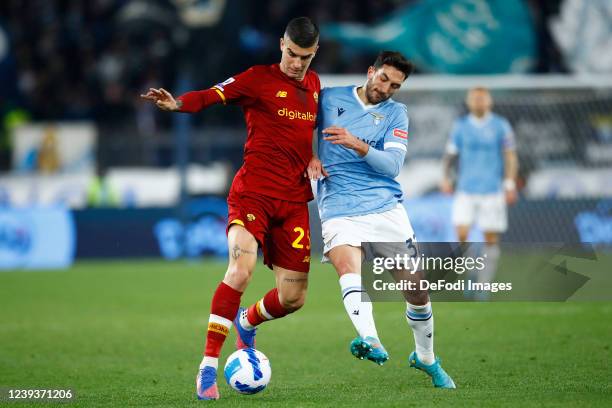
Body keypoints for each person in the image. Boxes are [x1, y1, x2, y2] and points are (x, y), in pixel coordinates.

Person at [141, 17, 320, 400]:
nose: (296, 63)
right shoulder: (258, 78)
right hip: (253, 193)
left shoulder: (316, 86)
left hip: (293, 202)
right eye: (291, 53)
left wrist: (312, 159)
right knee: (241, 269)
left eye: (304, 57)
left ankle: (246, 321)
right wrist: (178, 104)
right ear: (281, 45)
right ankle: (207, 368)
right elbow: (211, 94)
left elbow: (303, 136)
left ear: (313, 53)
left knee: (293, 298)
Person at [306, 51, 456, 388]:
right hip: (338, 205)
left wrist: (356, 143)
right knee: (348, 268)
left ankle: (426, 357)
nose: (387, 88)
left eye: (395, 85)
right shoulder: (330, 98)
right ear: (371, 71)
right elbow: (298, 129)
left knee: (416, 289)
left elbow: (392, 167)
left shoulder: (396, 114)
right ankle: (371, 339)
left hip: (384, 207)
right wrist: (311, 154)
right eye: (384, 78)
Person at [440, 87, 518, 297]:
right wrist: (445, 178)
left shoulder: (500, 125)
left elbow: (510, 156)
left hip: (492, 190)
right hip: (466, 189)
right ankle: (472, 272)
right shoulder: (461, 126)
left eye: (482, 98)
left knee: (490, 238)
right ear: (469, 102)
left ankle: (483, 283)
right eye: (475, 99)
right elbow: (450, 155)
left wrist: (510, 184)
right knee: (462, 235)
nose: (478, 102)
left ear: (489, 101)